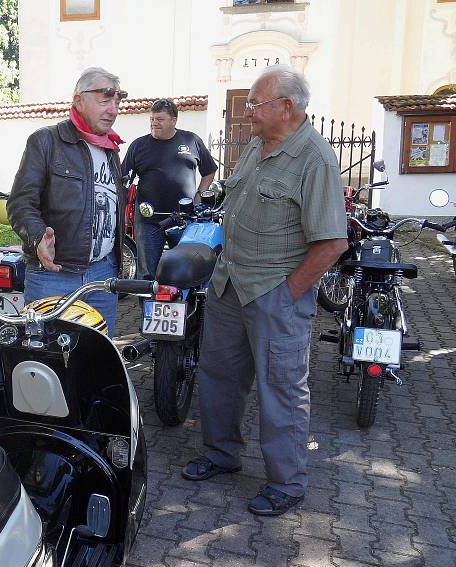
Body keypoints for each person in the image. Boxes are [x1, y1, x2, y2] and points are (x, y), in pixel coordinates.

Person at [182, 65, 348, 517]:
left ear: (286, 108)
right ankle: (222, 454)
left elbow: (332, 241)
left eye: (256, 104)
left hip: (274, 293)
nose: (248, 113)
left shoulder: (314, 159)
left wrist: (288, 292)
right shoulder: (257, 145)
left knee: (281, 388)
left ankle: (287, 481)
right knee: (219, 375)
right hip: (229, 283)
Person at [6, 67, 128, 336]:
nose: (113, 109)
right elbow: (20, 203)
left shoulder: (111, 152)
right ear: (78, 100)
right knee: (47, 359)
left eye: (118, 101)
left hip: (103, 275)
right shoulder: (47, 141)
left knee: (97, 359)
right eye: (105, 99)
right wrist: (38, 237)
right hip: (54, 274)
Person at [121, 98, 217, 280]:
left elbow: (209, 170)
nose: (154, 123)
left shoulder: (191, 140)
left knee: (185, 269)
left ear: (174, 120)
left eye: (160, 119)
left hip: (184, 220)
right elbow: (124, 181)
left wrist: (199, 195)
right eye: (152, 119)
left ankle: (182, 308)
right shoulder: (138, 146)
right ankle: (149, 309)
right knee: (147, 274)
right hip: (149, 222)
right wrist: (123, 210)